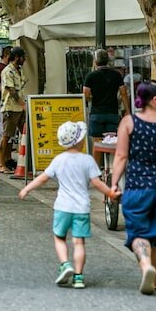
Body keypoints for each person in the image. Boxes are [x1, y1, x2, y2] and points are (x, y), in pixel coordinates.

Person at [18, 121, 114, 289]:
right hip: (82, 207)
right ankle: (78, 277)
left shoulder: (58, 160)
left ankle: (65, 264)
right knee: (79, 242)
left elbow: (43, 178)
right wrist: (111, 193)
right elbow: (97, 183)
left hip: (62, 206)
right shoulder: (88, 160)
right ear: (81, 141)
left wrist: (27, 189)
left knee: (59, 237)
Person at [110, 80, 156, 295]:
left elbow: (121, 156)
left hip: (137, 186)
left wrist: (113, 183)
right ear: (155, 99)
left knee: (139, 231)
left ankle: (145, 266)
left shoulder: (128, 123)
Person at [83, 49, 130, 161]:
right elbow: (123, 93)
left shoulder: (91, 76)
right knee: (112, 144)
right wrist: (127, 110)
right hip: (112, 113)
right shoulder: (116, 75)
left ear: (95, 61)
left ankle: (96, 172)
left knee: (97, 144)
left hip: (97, 114)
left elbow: (86, 94)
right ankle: (112, 170)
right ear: (108, 61)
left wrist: (91, 98)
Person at [0, 47, 27, 174]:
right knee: (7, 135)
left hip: (20, 107)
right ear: (16, 57)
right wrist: (23, 104)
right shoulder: (7, 71)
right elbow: (11, 90)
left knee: (25, 133)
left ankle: (24, 163)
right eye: (23, 57)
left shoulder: (19, 70)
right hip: (10, 107)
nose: (24, 60)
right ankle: (1, 163)